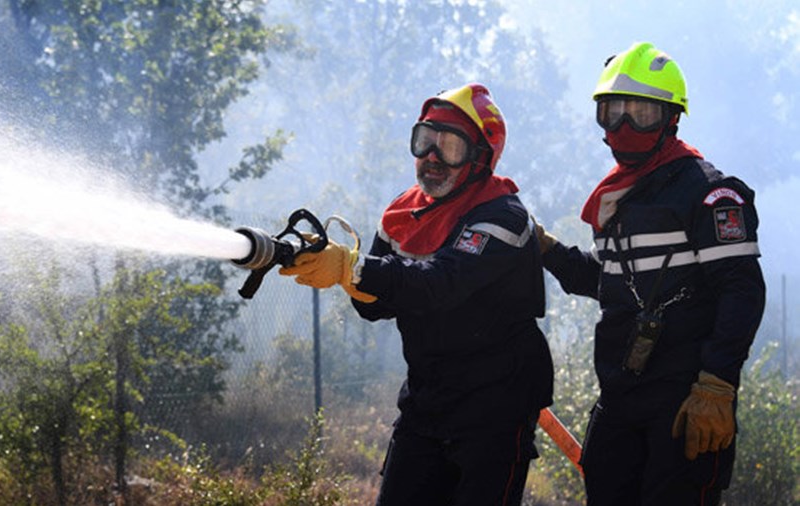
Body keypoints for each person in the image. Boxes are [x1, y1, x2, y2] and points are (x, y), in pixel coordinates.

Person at [279, 83, 553, 505]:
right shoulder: (402, 215)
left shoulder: (502, 217)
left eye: (450, 146)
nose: (432, 157)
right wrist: (345, 274)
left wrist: (353, 267)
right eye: (425, 140)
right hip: (428, 401)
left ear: (481, 157)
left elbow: (438, 284)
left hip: (496, 408)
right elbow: (375, 307)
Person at [535, 42, 766, 505]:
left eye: (640, 113)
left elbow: (742, 290)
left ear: (671, 118)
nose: (624, 125)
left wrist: (716, 385)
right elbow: (609, 281)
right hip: (621, 397)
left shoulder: (709, 194)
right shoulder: (618, 199)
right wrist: (547, 250)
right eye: (612, 112)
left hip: (685, 401)